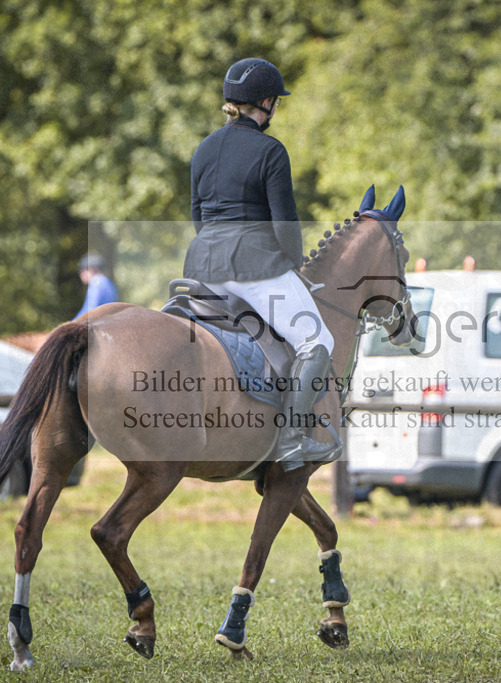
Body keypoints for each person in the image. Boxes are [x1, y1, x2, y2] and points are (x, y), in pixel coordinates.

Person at [185, 57, 338, 470]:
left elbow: (199, 217)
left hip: (200, 268)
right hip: (252, 267)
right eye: (276, 102)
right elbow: (285, 222)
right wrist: (291, 266)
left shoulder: (203, 149)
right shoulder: (270, 150)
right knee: (318, 340)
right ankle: (292, 440)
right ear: (266, 102)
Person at [74, 253, 118, 319]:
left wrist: (72, 323)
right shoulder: (108, 282)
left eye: (84, 269)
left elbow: (90, 309)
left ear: (95, 269)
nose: (81, 274)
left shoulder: (96, 283)